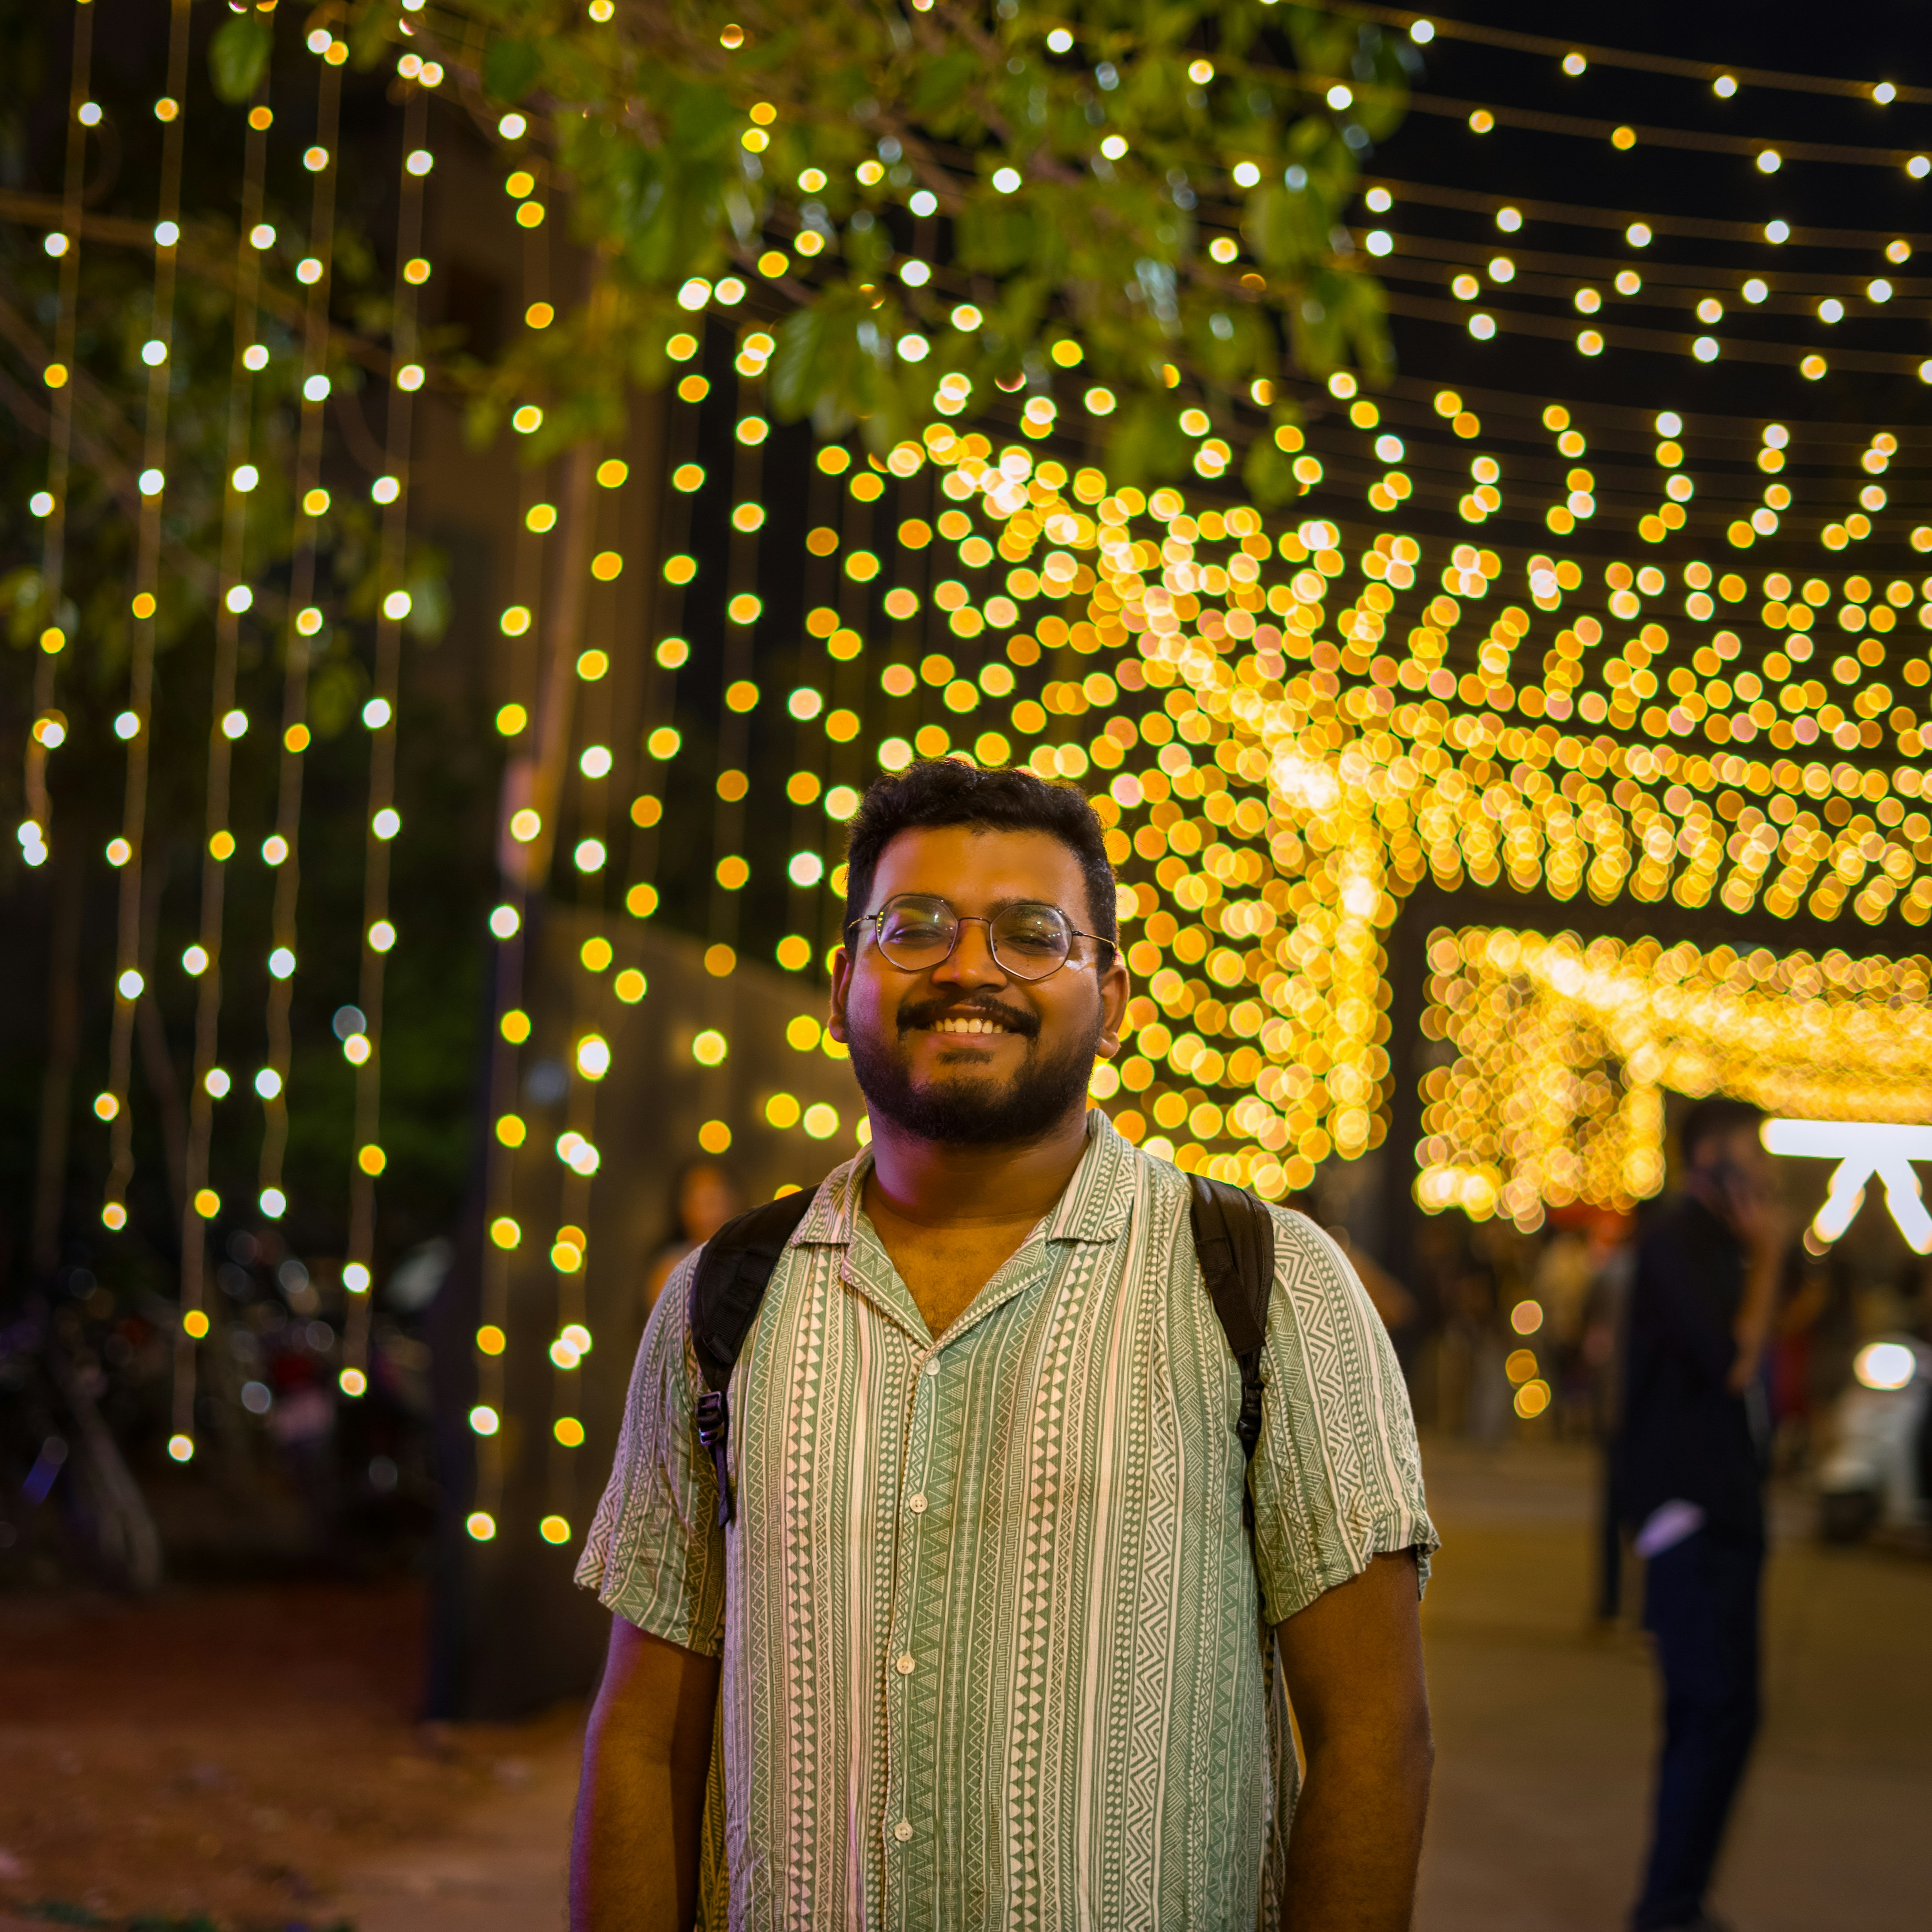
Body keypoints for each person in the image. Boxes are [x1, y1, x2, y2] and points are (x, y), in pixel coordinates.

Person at [570, 760, 1437, 1931]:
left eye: (1031, 933)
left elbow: (1371, 1739)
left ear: (1112, 992)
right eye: (912, 926)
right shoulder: (721, 1297)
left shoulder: (1267, 1283)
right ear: (841, 986)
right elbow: (641, 1739)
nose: (967, 966)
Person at [1616, 1096, 1781, 1932]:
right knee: (1703, 1707)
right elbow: (1725, 1363)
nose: (1764, 1176)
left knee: (1732, 1710)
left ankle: (1681, 1899)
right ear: (1711, 1158)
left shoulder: (1719, 1246)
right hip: (1686, 1510)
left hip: (1728, 1506)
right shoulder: (1675, 1241)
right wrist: (1768, 1264)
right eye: (1751, 1157)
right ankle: (1665, 1906)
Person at [639, 1159, 744, 1318]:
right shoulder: (671, 1270)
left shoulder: (753, 1256)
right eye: (704, 1200)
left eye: (719, 1198)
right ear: (682, 1208)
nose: (715, 1211)